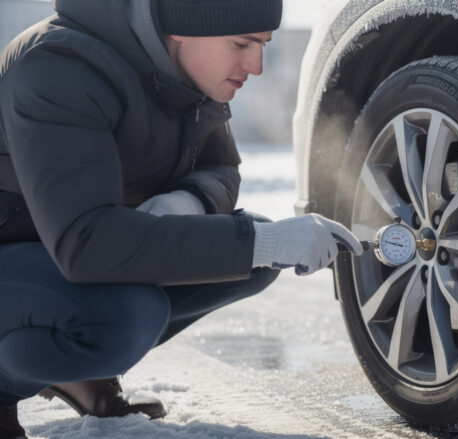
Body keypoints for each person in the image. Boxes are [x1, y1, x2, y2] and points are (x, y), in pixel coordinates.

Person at [0, 0, 363, 436]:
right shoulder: (58, 67)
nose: (257, 65)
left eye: (264, 44)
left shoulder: (182, 73)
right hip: (30, 248)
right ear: (183, 28)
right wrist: (258, 244)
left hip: (61, 252)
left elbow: (221, 167)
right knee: (128, 315)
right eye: (242, 43)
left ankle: (77, 367)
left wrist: (188, 202)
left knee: (249, 255)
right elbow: (86, 243)